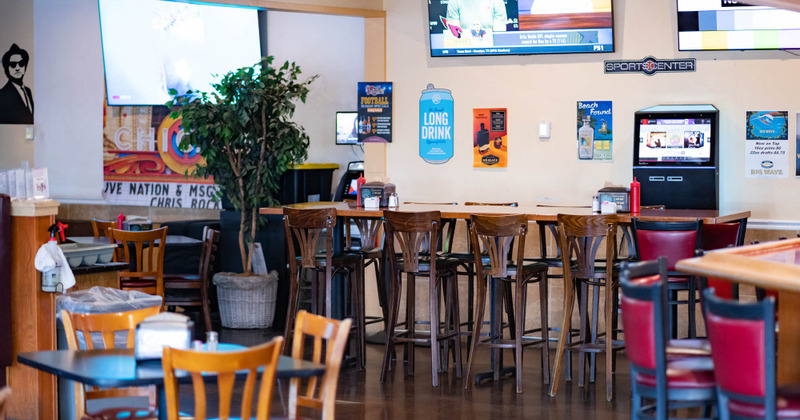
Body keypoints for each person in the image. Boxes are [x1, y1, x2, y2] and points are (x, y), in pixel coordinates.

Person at [0, 44, 33, 124]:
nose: (17, 68)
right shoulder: (3, 94)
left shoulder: (28, 91)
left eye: (21, 63)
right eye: (13, 64)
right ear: (7, 68)